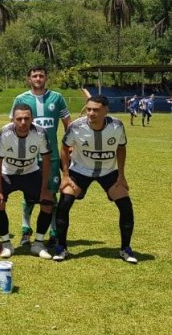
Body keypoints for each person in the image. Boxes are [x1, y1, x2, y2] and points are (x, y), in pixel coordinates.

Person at [54, 95, 137, 264]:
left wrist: (121, 175)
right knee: (64, 203)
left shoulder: (117, 126)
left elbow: (121, 148)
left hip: (108, 172)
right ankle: (61, 247)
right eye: (89, 109)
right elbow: (64, 148)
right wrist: (65, 176)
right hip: (80, 171)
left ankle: (125, 249)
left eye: (96, 110)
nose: (91, 113)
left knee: (126, 206)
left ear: (106, 110)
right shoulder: (76, 127)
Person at [10, 67, 71, 248]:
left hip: (51, 157)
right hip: (28, 157)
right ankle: (26, 230)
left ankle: (52, 232)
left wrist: (71, 146)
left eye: (41, 75)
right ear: (29, 79)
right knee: (28, 195)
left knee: (51, 194)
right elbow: (12, 126)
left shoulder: (57, 98)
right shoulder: (20, 99)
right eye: (34, 76)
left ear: (46, 78)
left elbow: (68, 124)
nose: (38, 78)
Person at [0, 104, 54, 259]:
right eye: (19, 119)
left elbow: (46, 160)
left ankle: (39, 243)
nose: (23, 122)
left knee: (47, 202)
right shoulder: (5, 133)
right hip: (8, 173)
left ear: (32, 119)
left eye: (27, 118)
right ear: (13, 119)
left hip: (30, 172)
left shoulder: (40, 132)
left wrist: (45, 188)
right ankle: (6, 243)